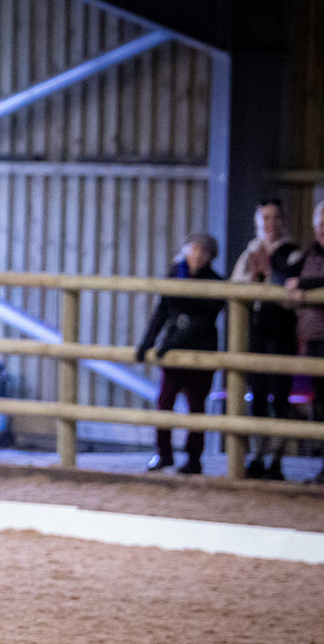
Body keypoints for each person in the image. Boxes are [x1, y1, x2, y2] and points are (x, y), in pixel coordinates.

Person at [135, 232, 225, 475]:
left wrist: (170, 343)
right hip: (172, 350)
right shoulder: (174, 276)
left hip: (199, 350)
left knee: (196, 404)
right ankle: (163, 453)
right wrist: (147, 342)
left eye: (202, 251)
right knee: (164, 400)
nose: (196, 255)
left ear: (210, 257)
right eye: (193, 249)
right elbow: (162, 311)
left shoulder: (216, 282)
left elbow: (203, 321)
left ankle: (193, 458)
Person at [230, 198, 301, 479]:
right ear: (257, 223)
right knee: (257, 395)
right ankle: (257, 455)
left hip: (283, 331)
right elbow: (237, 284)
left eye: (275, 219)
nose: (270, 225)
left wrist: (270, 274)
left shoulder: (293, 253)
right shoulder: (250, 252)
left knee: (280, 395)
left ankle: (277, 458)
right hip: (257, 330)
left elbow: (292, 289)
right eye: (265, 219)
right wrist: (254, 279)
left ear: (282, 222)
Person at [284, 201, 324, 483]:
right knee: (320, 404)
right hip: (314, 339)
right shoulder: (308, 254)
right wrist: (290, 282)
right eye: (322, 224)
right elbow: (286, 273)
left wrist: (303, 286)